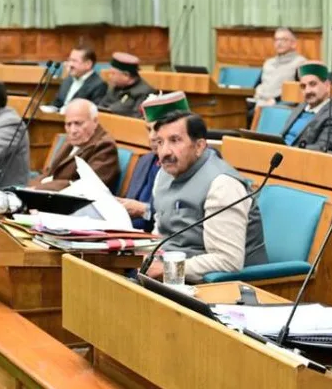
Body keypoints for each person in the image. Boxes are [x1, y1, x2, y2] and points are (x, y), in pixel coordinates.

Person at [146, 110, 267, 283]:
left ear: (199, 146)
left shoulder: (222, 184)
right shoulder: (164, 174)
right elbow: (161, 232)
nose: (164, 152)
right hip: (170, 276)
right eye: (160, 142)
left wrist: (168, 269)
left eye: (175, 140)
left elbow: (227, 261)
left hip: (222, 287)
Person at [118, 91, 190, 233]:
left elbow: (183, 215)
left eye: (157, 129)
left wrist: (144, 210)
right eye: (148, 129)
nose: (151, 137)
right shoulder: (145, 160)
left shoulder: (191, 161)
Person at [29, 98, 119, 192]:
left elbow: (87, 186)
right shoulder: (72, 140)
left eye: (78, 123)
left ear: (95, 121)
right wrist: (29, 187)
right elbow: (49, 173)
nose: (73, 130)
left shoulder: (105, 146)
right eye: (68, 124)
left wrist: (40, 188)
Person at [279, 62, 332, 151]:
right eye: (303, 86)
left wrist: (288, 150)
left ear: (327, 86)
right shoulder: (301, 107)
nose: (307, 91)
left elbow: (323, 149)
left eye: (312, 84)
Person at [248, 27, 306, 125]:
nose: (279, 43)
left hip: (280, 104)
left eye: (283, 40)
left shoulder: (300, 63)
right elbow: (257, 85)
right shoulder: (268, 63)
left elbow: (299, 90)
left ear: (294, 43)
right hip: (259, 102)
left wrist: (275, 100)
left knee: (250, 115)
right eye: (276, 40)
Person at [50, 44, 107, 111]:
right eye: (69, 60)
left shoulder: (99, 85)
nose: (70, 64)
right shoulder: (67, 80)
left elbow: (93, 111)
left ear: (88, 64)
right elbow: (57, 103)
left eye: (74, 61)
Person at [99, 52, 156, 118]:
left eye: (113, 73)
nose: (110, 76)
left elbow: (137, 118)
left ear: (126, 75)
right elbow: (102, 106)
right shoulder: (116, 86)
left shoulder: (144, 92)